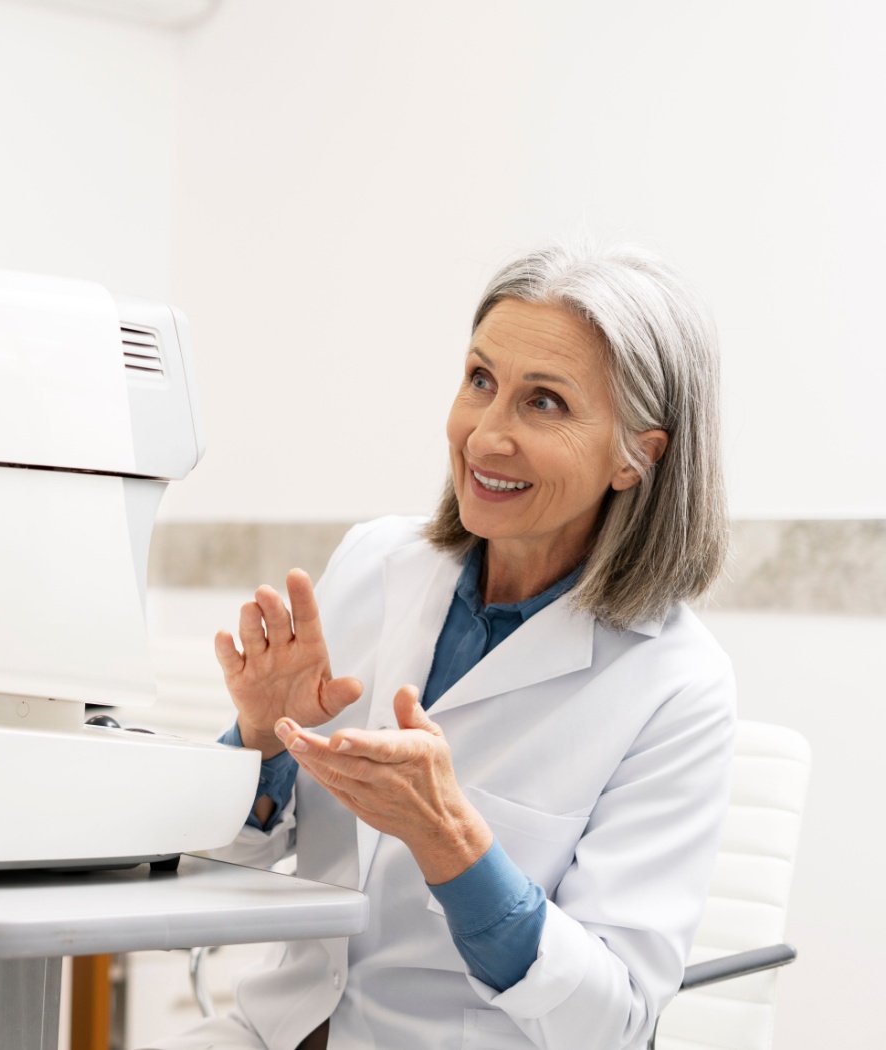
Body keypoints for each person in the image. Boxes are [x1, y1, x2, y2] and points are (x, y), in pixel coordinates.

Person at [169, 244, 736, 1050]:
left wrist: (452, 842)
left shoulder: (677, 684)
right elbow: (216, 861)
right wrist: (264, 744)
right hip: (274, 1032)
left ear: (638, 455)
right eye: (480, 381)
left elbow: (609, 1021)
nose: (485, 435)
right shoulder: (376, 563)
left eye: (544, 403)